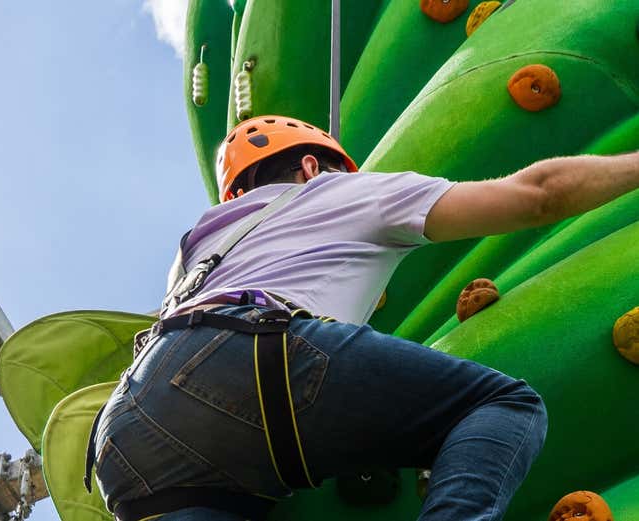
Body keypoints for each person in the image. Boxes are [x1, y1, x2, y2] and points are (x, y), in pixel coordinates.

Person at [87, 115, 639, 521]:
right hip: (247, 359)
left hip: (126, 436)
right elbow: (539, 195)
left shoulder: (197, 244)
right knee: (503, 404)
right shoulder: (340, 190)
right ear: (310, 165)